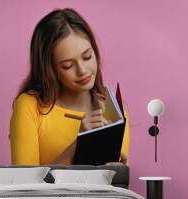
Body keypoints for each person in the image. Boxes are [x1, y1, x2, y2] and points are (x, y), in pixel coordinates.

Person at [9, 8, 129, 166]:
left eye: (87, 57)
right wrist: (77, 147)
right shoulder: (29, 106)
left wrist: (121, 172)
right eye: (67, 66)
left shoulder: (113, 112)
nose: (82, 70)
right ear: (49, 70)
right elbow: (25, 184)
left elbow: (116, 184)